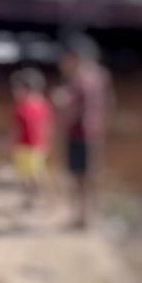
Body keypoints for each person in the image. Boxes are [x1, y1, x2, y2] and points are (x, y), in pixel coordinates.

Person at [56, 35, 111, 229]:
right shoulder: (100, 75)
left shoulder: (80, 80)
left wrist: (61, 111)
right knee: (90, 175)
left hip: (79, 133)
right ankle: (90, 214)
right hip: (95, 132)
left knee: (79, 177)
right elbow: (107, 102)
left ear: (75, 58)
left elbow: (74, 110)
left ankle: (82, 217)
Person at [10, 68, 52, 207]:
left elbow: (47, 125)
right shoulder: (22, 107)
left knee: (36, 174)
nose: (15, 92)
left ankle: (41, 197)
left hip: (35, 146)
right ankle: (29, 199)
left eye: (18, 89)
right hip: (23, 146)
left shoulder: (39, 105)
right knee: (24, 174)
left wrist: (46, 143)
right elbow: (16, 128)